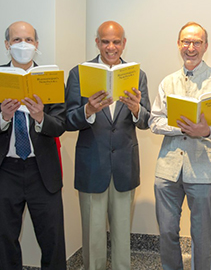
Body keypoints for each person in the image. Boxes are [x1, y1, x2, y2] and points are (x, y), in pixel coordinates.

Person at [0, 21, 66, 269]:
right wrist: (3, 117)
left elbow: (60, 124)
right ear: (7, 45)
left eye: (28, 39)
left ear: (37, 44)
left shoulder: (50, 78)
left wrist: (40, 117)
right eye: (16, 40)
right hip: (3, 171)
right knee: (4, 242)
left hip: (42, 170)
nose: (23, 45)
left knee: (53, 240)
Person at [149, 22, 211, 270]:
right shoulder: (168, 82)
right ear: (178, 44)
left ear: (205, 46)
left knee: (201, 236)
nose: (191, 47)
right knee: (167, 232)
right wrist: (182, 127)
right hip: (168, 169)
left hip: (204, 169)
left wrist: (206, 131)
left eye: (197, 42)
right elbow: (154, 121)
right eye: (186, 42)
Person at [64, 21, 151, 269]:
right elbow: (67, 121)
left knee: (123, 237)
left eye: (116, 41)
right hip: (92, 166)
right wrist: (88, 110)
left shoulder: (137, 75)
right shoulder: (79, 74)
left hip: (124, 166)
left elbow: (146, 122)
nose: (111, 47)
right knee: (93, 238)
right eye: (105, 41)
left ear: (124, 43)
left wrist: (136, 110)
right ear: (97, 43)